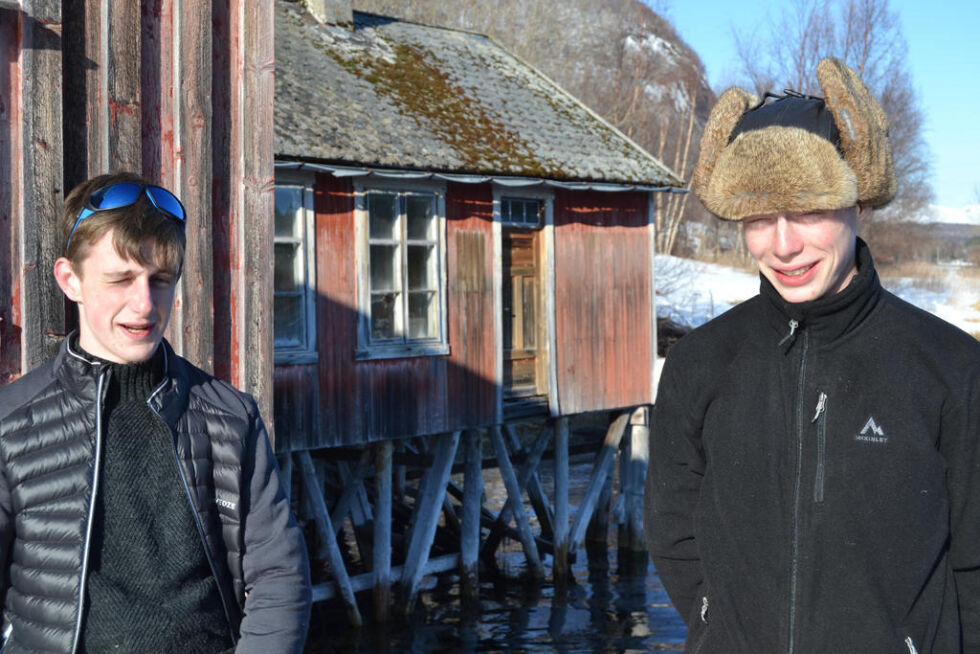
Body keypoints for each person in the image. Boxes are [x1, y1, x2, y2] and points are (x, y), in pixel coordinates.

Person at [644, 57, 980, 654]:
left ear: (860, 205)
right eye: (758, 218)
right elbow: (673, 531)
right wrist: (716, 625)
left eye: (807, 211)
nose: (782, 245)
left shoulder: (951, 368)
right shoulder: (700, 363)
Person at [0, 173, 312, 653]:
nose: (144, 304)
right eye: (121, 279)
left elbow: (279, 574)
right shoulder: (11, 424)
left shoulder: (230, 418)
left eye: (160, 280)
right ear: (71, 280)